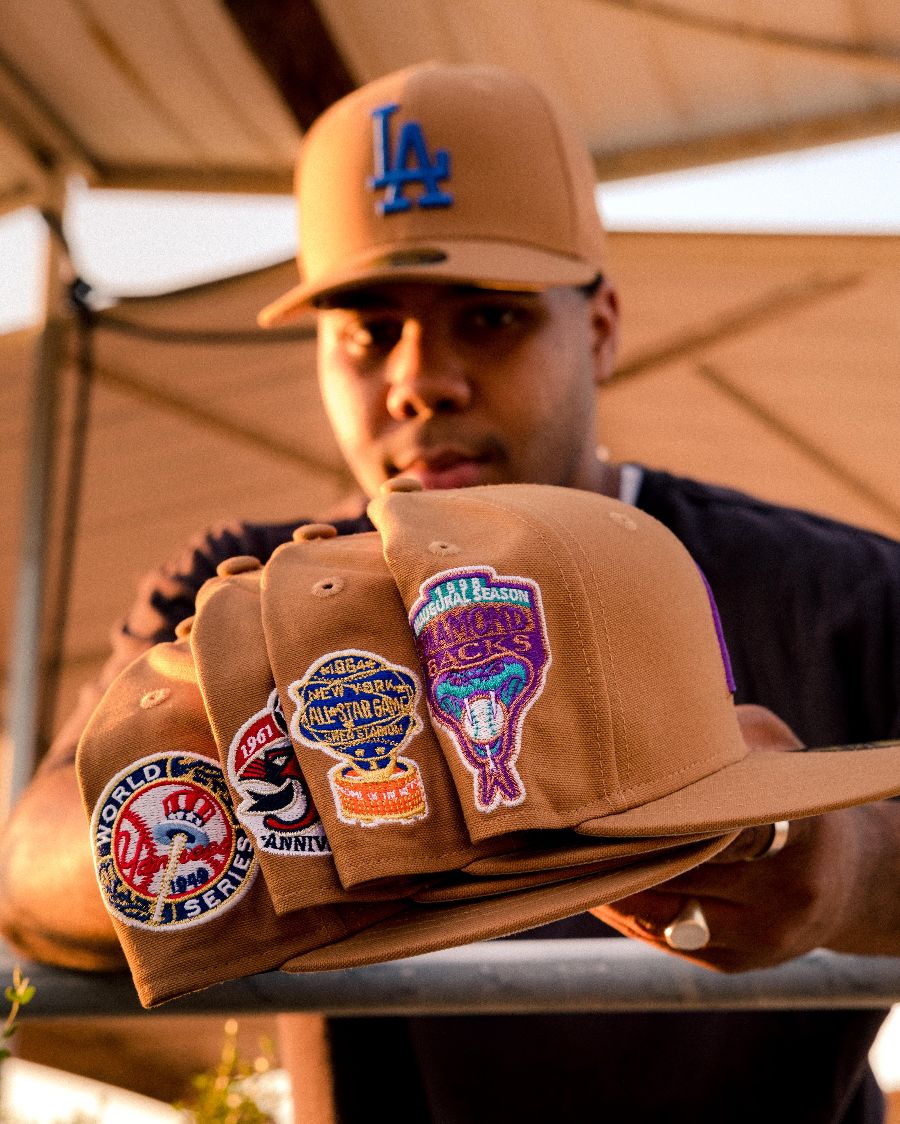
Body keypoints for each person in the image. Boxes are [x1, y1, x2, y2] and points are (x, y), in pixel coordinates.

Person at [2, 61, 900, 1123]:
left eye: (488, 316)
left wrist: (847, 869)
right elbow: (37, 870)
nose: (418, 378)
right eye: (368, 330)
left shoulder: (837, 589)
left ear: (602, 324)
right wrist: (284, 802)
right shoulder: (234, 596)